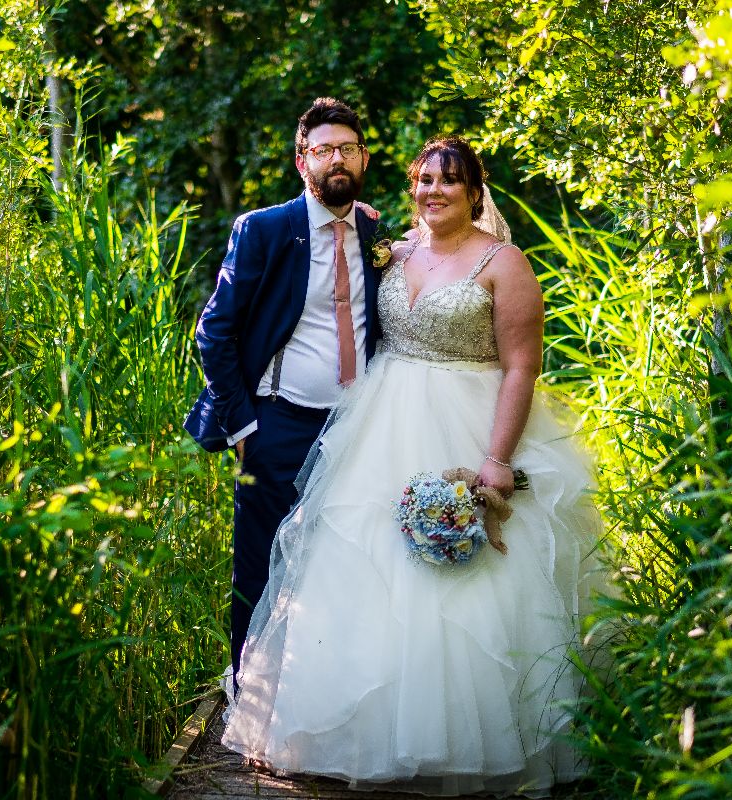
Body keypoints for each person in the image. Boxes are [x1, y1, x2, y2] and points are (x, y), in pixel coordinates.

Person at [220, 136, 604, 797]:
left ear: (475, 192)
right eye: (423, 180)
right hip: (380, 425)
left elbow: (521, 366)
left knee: (475, 585)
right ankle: (346, 732)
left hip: (469, 422)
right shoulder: (393, 253)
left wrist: (495, 460)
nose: (432, 191)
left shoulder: (502, 263)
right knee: (359, 567)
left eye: (448, 182)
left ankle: (463, 740)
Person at [184, 98, 384, 680]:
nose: (337, 160)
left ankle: (324, 687)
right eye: (323, 150)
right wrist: (244, 425)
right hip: (277, 423)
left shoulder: (374, 230)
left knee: (346, 562)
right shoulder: (265, 230)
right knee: (260, 564)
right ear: (302, 163)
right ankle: (247, 690)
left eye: (347, 148)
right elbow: (213, 332)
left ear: (363, 158)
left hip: (357, 427)